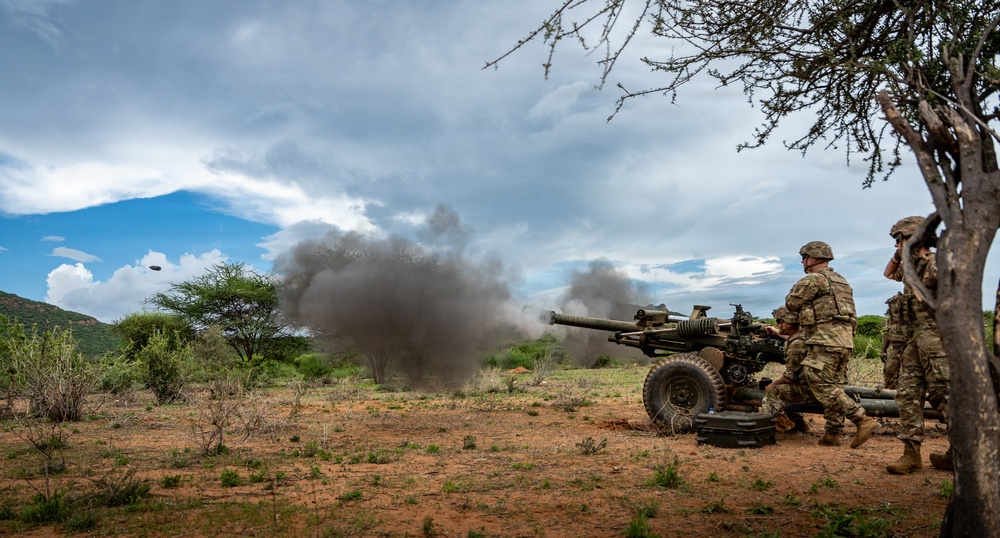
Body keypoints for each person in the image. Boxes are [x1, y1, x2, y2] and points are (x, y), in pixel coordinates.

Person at [784, 241, 880, 448]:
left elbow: (791, 303)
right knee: (835, 386)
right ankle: (832, 433)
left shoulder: (814, 280)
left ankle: (862, 419)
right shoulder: (842, 282)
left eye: (804, 257)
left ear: (815, 258)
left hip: (824, 339)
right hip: (845, 341)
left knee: (817, 379)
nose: (802, 261)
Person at [883, 216, 952, 474]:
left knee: (943, 397)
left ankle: (962, 453)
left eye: (898, 240)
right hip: (914, 340)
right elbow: (888, 273)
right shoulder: (911, 268)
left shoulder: (934, 264)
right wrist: (902, 255)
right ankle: (911, 455)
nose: (895, 246)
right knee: (908, 396)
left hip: (936, 341)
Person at [761, 306, 810, 433]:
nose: (777, 324)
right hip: (812, 382)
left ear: (788, 323)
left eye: (778, 321)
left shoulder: (796, 346)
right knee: (787, 390)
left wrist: (773, 384)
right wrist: (777, 332)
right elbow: (792, 339)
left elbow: (789, 378)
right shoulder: (803, 335)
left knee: (774, 391)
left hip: (809, 388)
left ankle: (770, 427)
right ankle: (800, 424)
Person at [880, 292, 908, 390]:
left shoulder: (911, 319)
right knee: (889, 372)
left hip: (907, 350)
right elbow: (887, 335)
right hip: (894, 350)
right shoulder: (891, 321)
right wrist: (883, 351)